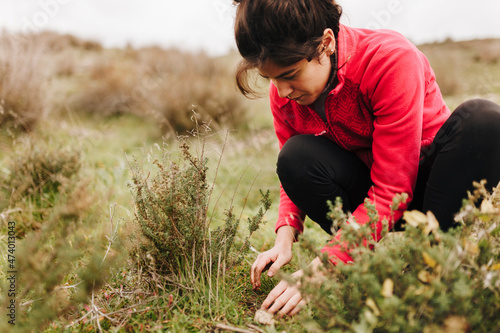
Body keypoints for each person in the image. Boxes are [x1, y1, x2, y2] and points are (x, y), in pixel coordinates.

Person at [233, 0, 500, 318]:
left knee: (484, 120)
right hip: (372, 192)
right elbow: (292, 173)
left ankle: (428, 260)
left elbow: (394, 186)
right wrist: (284, 237)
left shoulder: (389, 59)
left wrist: (324, 266)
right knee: (295, 157)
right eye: (270, 78)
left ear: (326, 43)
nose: (281, 90)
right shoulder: (284, 95)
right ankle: (363, 257)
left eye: (290, 74)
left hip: (434, 187)